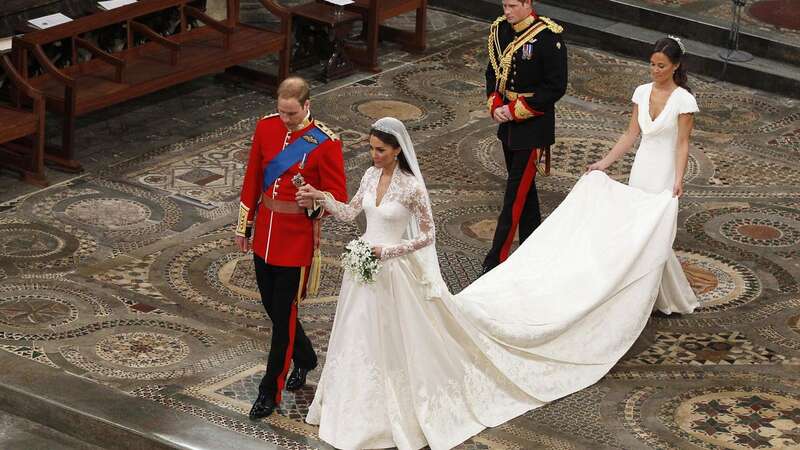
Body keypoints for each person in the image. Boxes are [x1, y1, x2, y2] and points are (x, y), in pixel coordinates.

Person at [296, 112, 685, 449]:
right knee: (357, 337)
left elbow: (427, 236)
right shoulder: (367, 175)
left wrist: (388, 252)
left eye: (380, 149)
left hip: (394, 273)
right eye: (371, 149)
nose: (373, 155)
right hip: (363, 274)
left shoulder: (412, 188)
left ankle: (395, 411)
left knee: (397, 340)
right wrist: (321, 196)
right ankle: (353, 408)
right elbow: (349, 215)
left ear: (397, 150)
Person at [236, 76, 347, 420]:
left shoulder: (325, 143)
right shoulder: (265, 128)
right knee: (272, 307)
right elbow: (254, 176)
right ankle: (306, 356)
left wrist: (314, 201)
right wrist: (245, 225)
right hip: (266, 231)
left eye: (292, 113)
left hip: (296, 240)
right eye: (281, 112)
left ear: (306, 105)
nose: (285, 119)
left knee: (283, 319)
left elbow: (337, 197)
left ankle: (270, 390)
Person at [587, 36, 700, 315]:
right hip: (643, 167)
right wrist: (605, 162)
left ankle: (647, 297)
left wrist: (678, 179)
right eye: (652, 64)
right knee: (638, 230)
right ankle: (640, 294)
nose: (655, 70)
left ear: (675, 66)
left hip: (664, 170)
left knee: (654, 232)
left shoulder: (684, 100)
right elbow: (630, 134)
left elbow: (682, 143)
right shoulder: (641, 92)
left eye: (661, 66)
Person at [483, 0, 568, 273]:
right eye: (504, 5)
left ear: (528, 3)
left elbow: (555, 87)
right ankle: (535, 252)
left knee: (514, 196)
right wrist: (496, 105)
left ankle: (495, 262)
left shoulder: (547, 37)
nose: (506, 11)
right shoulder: (501, 30)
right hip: (507, 123)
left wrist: (514, 111)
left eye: (512, 5)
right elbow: (493, 73)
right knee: (525, 193)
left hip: (532, 124)